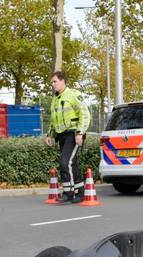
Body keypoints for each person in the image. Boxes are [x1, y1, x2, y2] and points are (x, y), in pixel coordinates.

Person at [46, 71, 91, 204]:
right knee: (72, 164)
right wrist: (50, 134)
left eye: (55, 82)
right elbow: (53, 119)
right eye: (52, 82)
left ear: (62, 81)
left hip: (73, 133)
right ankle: (79, 191)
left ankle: (69, 193)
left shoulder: (73, 95)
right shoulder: (55, 98)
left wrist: (80, 133)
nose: (53, 85)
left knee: (65, 163)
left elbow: (84, 114)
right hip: (61, 135)